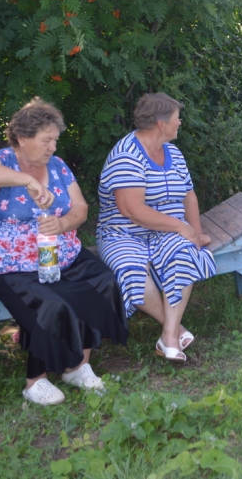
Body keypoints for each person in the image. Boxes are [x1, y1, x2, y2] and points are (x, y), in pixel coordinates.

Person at [0, 99, 127, 406]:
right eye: (46, 140)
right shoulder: (0, 161)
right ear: (23, 138)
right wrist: (26, 179)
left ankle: (77, 366)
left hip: (60, 253)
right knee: (53, 303)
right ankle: (34, 382)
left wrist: (63, 222)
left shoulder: (58, 166)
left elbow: (80, 208)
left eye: (55, 140)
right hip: (11, 266)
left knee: (103, 280)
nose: (52, 147)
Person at [97, 93, 215, 364]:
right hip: (122, 232)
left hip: (164, 231)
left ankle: (169, 337)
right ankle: (174, 330)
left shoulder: (173, 152)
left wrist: (194, 233)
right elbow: (132, 210)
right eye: (176, 118)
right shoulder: (126, 155)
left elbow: (189, 196)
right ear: (161, 124)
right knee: (128, 268)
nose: (180, 123)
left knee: (185, 252)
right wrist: (179, 226)